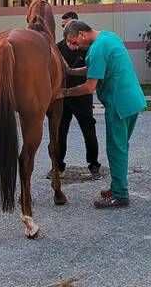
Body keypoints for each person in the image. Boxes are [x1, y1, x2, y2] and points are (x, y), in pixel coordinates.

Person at [62, 20, 147, 209]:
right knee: (121, 147)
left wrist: (65, 92)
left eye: (74, 42)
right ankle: (118, 186)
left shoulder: (96, 49)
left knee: (116, 149)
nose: (74, 47)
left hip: (118, 104)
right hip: (133, 100)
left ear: (83, 34)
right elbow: (96, 67)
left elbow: (89, 87)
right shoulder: (108, 37)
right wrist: (71, 71)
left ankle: (120, 195)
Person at [47, 11, 103, 181]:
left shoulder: (88, 48)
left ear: (79, 28)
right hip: (62, 98)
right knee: (59, 134)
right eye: (63, 25)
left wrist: (73, 73)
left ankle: (94, 166)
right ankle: (58, 167)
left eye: (69, 24)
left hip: (83, 97)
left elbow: (92, 72)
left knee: (89, 132)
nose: (66, 28)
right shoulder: (56, 48)